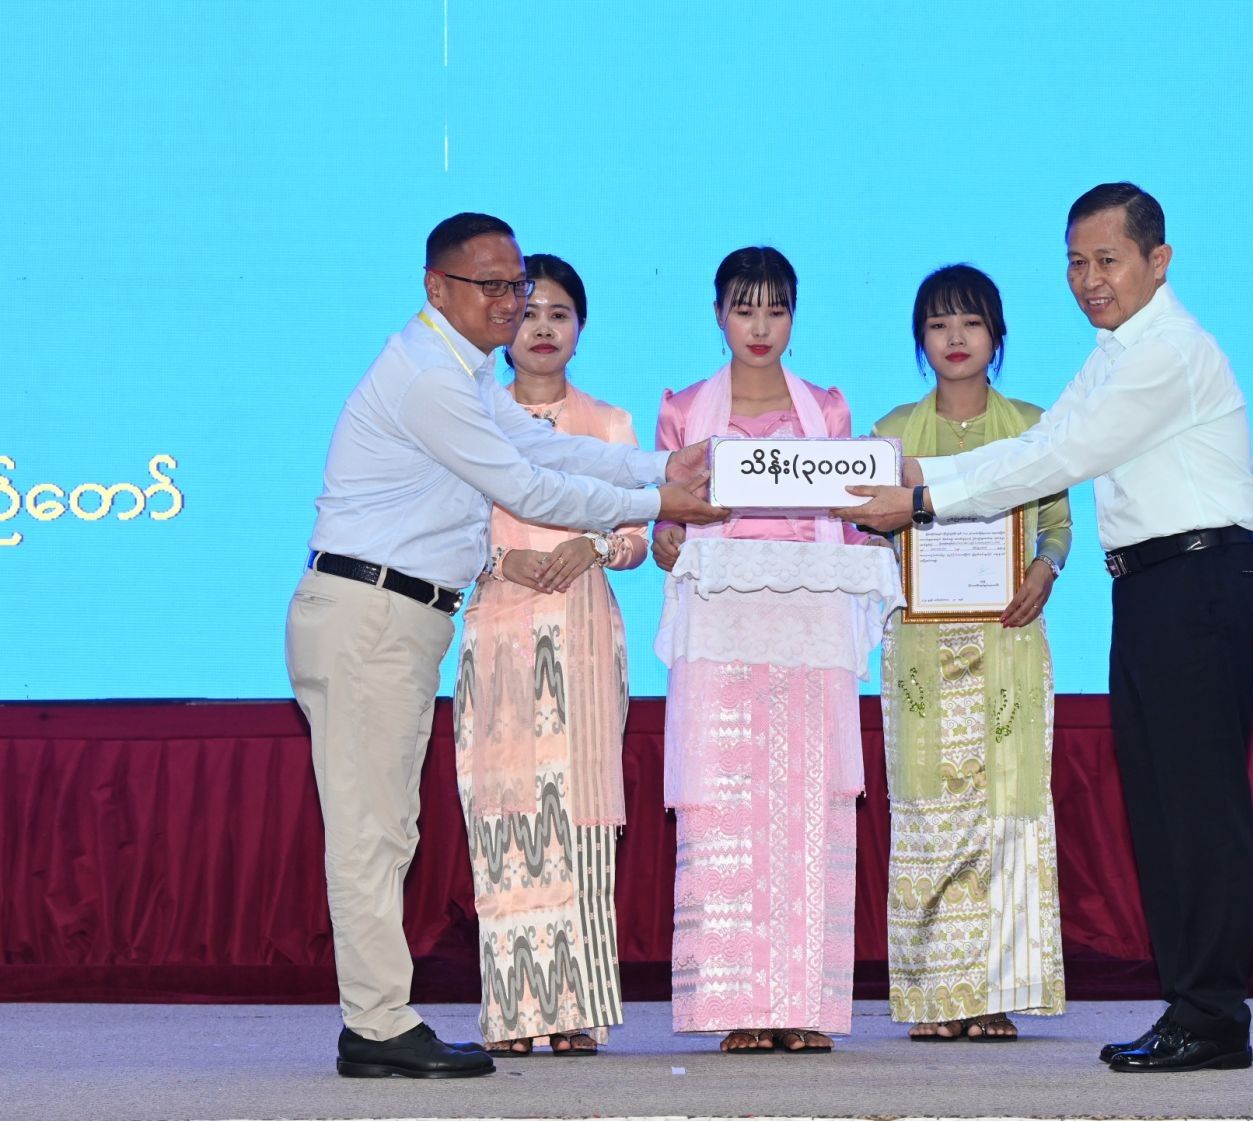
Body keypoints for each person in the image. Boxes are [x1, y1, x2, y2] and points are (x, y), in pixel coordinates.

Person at [842, 183, 1253, 1073]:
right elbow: (1037, 443)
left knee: (1198, 807)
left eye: (1108, 260)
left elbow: (1058, 457)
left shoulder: (1167, 353)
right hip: (1150, 587)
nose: (1089, 279)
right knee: (1162, 806)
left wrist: (919, 500)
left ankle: (1214, 1013)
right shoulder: (1113, 354)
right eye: (1076, 262)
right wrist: (915, 477)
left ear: (1159, 260)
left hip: (1198, 580)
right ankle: (1192, 1006)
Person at [286, 213, 723, 1079]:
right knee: (373, 830)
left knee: (387, 826)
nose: (508, 301)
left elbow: (537, 444)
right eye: (488, 285)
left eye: (515, 283)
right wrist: (660, 502)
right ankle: (377, 1026)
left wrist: (660, 469)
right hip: (368, 614)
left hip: (394, 617)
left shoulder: (466, 370)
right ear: (435, 286)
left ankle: (378, 1020)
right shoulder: (427, 377)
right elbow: (525, 487)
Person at [652, 246, 898, 1055]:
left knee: (808, 806)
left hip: (809, 626)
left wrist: (876, 533)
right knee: (728, 804)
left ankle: (803, 1002)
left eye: (776, 309)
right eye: (744, 308)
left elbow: (850, 516)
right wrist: (666, 536)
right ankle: (738, 1003)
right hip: (722, 630)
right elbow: (667, 522)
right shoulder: (685, 411)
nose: (760, 326)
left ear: (795, 316)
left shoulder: (825, 409)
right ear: (718, 314)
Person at [453, 254, 646, 1057]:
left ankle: (574, 1009)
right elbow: (451, 529)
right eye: (528, 312)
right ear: (503, 324)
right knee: (506, 820)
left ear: (581, 328)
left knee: (580, 819)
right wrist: (504, 560)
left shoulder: (609, 423)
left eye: (559, 314)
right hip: (501, 634)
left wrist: (594, 545)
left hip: (583, 635)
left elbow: (638, 532)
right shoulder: (471, 417)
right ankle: (513, 1012)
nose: (541, 327)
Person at [873, 265, 1069, 1041]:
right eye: (938, 324)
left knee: (1006, 814)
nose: (955, 338)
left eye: (971, 322)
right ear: (920, 340)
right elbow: (871, 529)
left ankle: (994, 993)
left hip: (1007, 640)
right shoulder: (891, 433)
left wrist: (1044, 571)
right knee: (927, 815)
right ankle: (931, 997)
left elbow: (1056, 524)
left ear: (997, 334)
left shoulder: (1034, 425)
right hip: (920, 647)